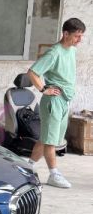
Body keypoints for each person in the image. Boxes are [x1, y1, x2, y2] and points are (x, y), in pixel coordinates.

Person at [27, 17, 85, 189]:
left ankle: (28, 167)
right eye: (77, 36)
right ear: (66, 34)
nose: (79, 40)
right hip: (53, 101)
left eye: (81, 36)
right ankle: (54, 174)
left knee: (46, 138)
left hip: (64, 101)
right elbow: (32, 73)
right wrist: (43, 89)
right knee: (50, 142)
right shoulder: (54, 53)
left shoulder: (71, 50)